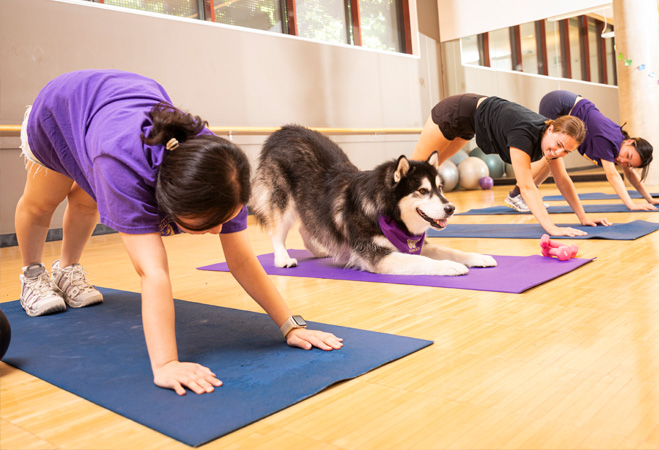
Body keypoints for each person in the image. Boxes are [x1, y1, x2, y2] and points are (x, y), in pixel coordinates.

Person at [15, 70, 342, 396]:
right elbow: (152, 271)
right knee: (43, 202)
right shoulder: (122, 166)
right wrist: (166, 363)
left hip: (109, 114)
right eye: (209, 223)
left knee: (87, 202)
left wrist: (290, 326)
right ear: (168, 202)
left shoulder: (223, 171)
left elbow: (241, 259)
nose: (218, 230)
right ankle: (32, 274)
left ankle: (67, 270)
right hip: (61, 109)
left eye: (223, 220)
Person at [410, 93, 611, 237]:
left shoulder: (551, 142)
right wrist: (552, 228)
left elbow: (563, 180)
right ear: (550, 128)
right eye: (559, 145)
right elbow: (526, 187)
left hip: (469, 124)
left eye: (566, 151)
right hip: (454, 111)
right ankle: (395, 222)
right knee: (414, 170)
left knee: (431, 170)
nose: (559, 153)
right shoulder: (524, 134)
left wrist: (583, 217)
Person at [505, 90, 659, 212]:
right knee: (552, 157)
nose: (623, 162)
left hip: (569, 102)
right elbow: (612, 175)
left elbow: (630, 174)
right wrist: (631, 204)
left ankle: (523, 194)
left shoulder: (619, 146)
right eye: (628, 156)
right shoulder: (608, 141)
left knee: (553, 160)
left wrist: (649, 199)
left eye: (628, 163)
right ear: (630, 141)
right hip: (559, 104)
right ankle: (518, 194)